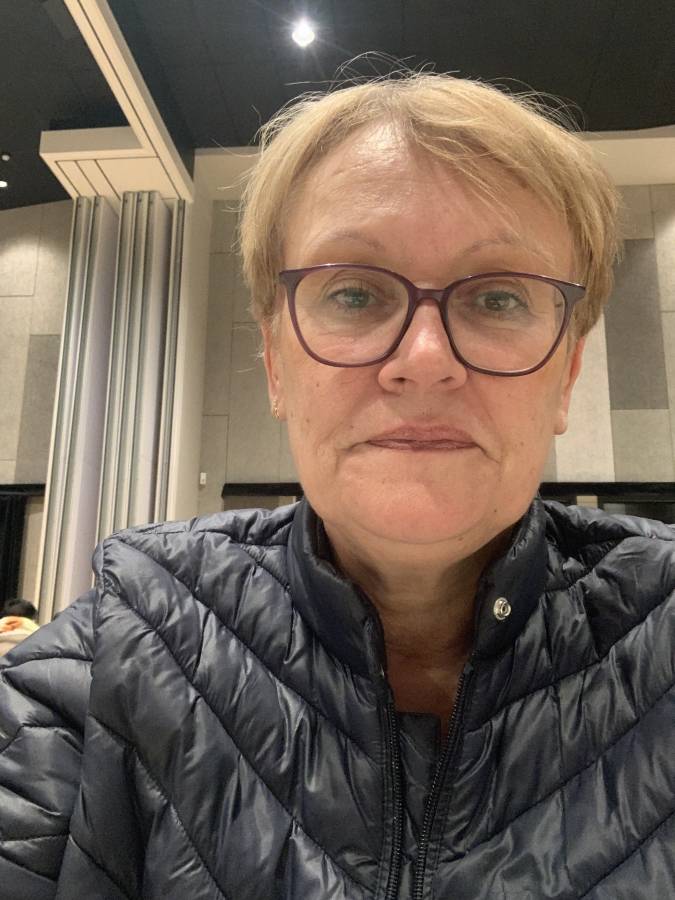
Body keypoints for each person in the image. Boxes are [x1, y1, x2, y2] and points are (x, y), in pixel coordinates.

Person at [0, 73, 673, 900]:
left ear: (566, 373)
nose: (423, 360)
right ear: (276, 362)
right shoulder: (123, 636)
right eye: (354, 293)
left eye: (498, 297)